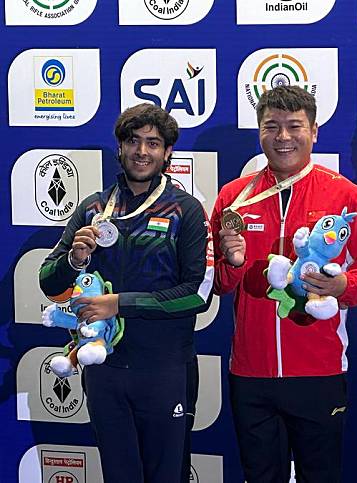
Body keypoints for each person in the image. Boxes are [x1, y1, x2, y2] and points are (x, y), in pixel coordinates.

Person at [211, 85, 357, 483]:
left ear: (315, 131)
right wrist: (234, 264)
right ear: (259, 131)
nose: (283, 137)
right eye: (271, 126)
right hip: (251, 373)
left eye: (294, 126)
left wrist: (342, 287)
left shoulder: (346, 196)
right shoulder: (233, 198)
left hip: (318, 371)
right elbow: (218, 286)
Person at [39, 103, 214, 483]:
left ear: (167, 153)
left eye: (153, 143)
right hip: (106, 371)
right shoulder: (93, 209)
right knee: (118, 474)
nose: (142, 151)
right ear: (119, 147)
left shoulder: (186, 210)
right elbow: (49, 282)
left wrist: (119, 304)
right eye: (133, 141)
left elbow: (197, 295)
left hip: (164, 369)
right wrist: (75, 259)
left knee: (167, 475)